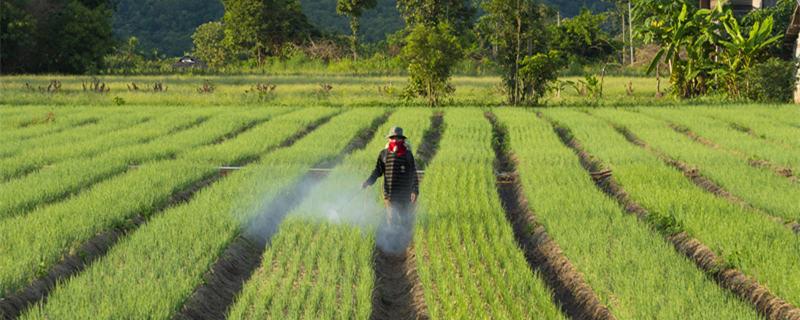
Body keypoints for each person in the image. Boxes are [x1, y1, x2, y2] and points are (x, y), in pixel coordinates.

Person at [361, 126, 419, 253]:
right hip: (389, 194)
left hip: (404, 193)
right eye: (393, 138)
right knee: (392, 218)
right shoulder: (384, 154)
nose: (396, 141)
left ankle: (403, 246)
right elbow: (378, 171)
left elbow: (413, 173)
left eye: (398, 139)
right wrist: (368, 182)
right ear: (390, 139)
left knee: (403, 218)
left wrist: (414, 190)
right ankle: (392, 246)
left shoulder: (408, 155)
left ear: (402, 140)